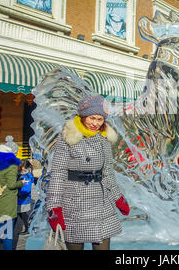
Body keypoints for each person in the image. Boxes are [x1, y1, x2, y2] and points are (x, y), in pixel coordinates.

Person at [46, 94, 130, 250]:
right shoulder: (67, 136)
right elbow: (58, 174)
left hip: (101, 204)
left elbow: (108, 173)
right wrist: (54, 207)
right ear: (83, 116)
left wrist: (118, 197)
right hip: (74, 204)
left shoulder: (104, 139)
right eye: (92, 118)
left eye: (100, 119)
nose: (96, 123)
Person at [0, 144, 25, 250]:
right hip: (7, 203)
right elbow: (11, 185)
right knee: (7, 233)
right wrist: (21, 182)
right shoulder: (11, 166)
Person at [17, 159, 34, 235]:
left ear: (23, 167)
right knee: (20, 213)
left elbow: (26, 189)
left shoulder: (26, 176)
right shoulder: (21, 174)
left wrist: (18, 194)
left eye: (19, 165)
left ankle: (28, 228)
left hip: (23, 199)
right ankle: (28, 226)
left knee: (22, 214)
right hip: (20, 199)